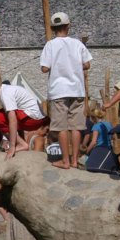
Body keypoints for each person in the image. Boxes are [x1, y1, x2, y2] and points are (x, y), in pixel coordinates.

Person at [40, 12, 92, 169]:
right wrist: (74, 66)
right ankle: (75, 160)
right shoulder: (77, 44)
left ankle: (65, 161)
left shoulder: (50, 45)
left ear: (52, 28)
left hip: (58, 90)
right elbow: (87, 64)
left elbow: (44, 68)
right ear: (68, 26)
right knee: (76, 126)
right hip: (77, 90)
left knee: (61, 126)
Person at [0, 82, 49, 160]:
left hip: (32, 119)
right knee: (3, 117)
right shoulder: (6, 90)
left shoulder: (5, 93)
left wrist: (12, 147)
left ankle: (22, 144)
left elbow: (13, 121)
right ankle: (21, 143)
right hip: (33, 117)